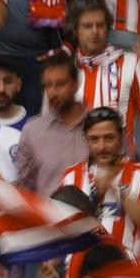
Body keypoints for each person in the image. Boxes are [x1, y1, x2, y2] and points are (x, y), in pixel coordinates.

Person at [57, 108, 140, 253]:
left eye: (109, 138)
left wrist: (115, 187)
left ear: (121, 137)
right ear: (86, 139)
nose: (102, 146)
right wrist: (50, 266)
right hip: (79, 271)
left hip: (125, 270)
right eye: (94, 139)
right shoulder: (71, 175)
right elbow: (60, 229)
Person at [12, 51, 92, 195]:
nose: (52, 92)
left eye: (60, 84)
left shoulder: (98, 126)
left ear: (76, 84)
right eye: (47, 86)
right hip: (49, 215)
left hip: (91, 215)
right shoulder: (33, 130)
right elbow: (25, 186)